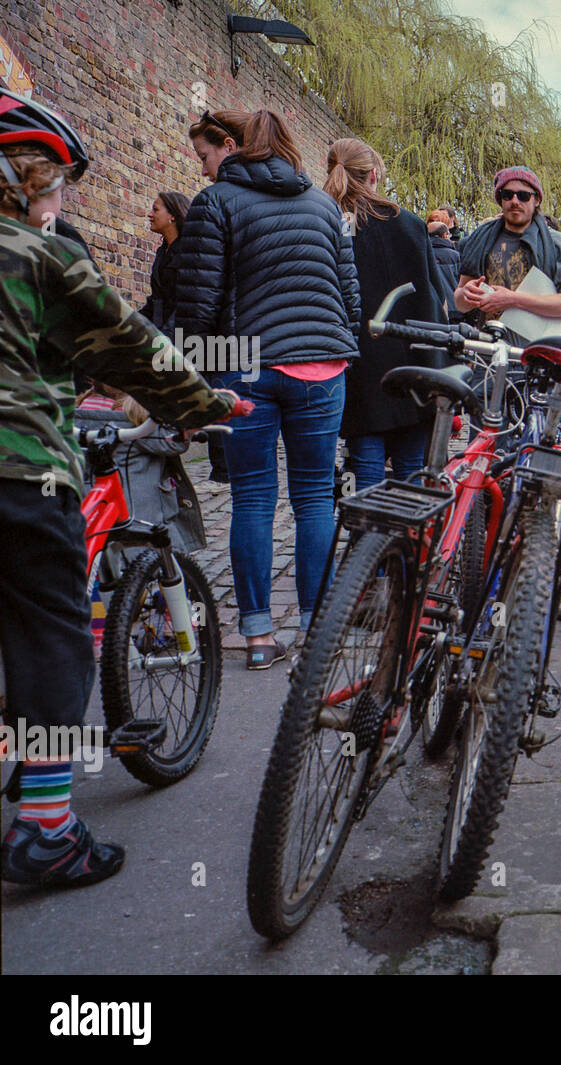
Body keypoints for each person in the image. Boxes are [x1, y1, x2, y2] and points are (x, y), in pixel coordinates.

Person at [0, 88, 236, 887]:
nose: (61, 199)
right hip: (18, 470)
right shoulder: (38, 253)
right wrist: (205, 403)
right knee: (53, 641)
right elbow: (130, 346)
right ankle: (47, 827)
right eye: (55, 183)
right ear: (19, 180)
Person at [176, 108, 360, 669]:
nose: (206, 167)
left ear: (234, 148)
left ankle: (257, 636)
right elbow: (350, 297)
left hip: (248, 367)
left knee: (253, 498)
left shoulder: (216, 203)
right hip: (323, 369)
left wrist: (189, 383)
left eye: (207, 155)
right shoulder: (326, 205)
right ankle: (316, 633)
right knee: (313, 501)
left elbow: (201, 305)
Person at [324, 137, 449, 492]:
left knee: (365, 468)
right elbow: (434, 299)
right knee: (411, 468)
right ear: (374, 175)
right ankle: (406, 544)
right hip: (411, 359)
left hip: (358, 360)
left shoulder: (330, 225)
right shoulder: (408, 224)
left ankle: (367, 543)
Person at [454, 165, 561, 338]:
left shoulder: (555, 242)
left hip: (539, 351)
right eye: (507, 194)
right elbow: (460, 301)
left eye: (523, 195)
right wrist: (465, 295)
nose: (515, 201)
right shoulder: (480, 238)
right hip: (487, 347)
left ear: (537, 200)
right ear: (500, 199)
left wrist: (513, 299)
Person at [140, 191, 190, 334]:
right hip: (162, 335)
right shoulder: (162, 252)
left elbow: (187, 303)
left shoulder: (189, 252)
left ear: (172, 215)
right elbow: (157, 300)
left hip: (182, 339)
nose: (150, 214)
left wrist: (166, 339)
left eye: (155, 210)